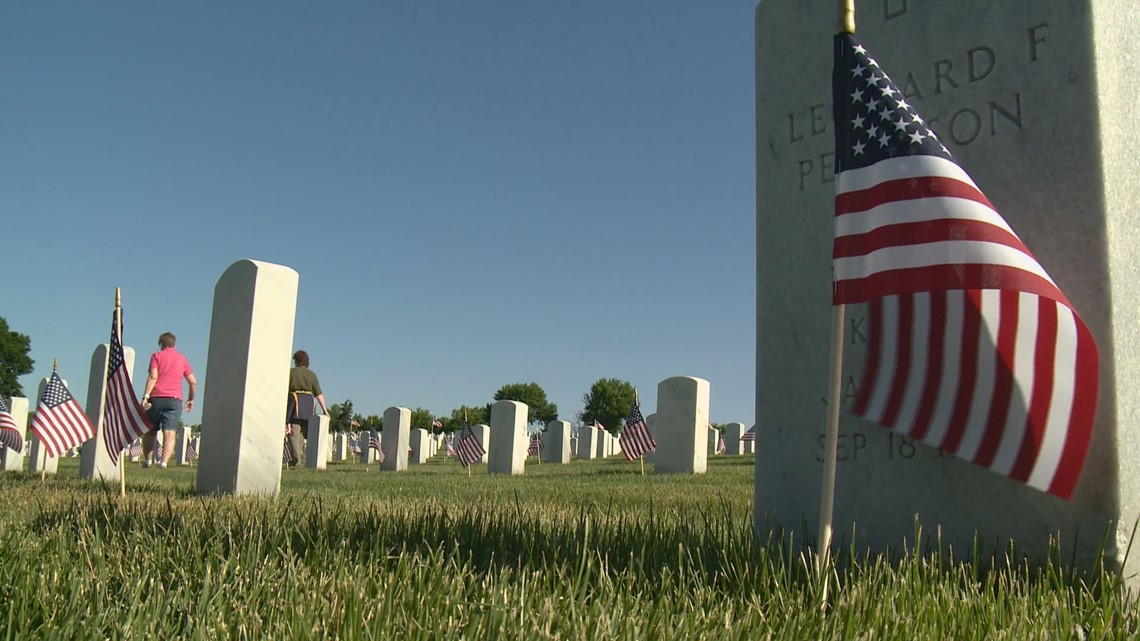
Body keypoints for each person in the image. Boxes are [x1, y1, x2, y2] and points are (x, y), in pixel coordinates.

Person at [141, 332, 196, 468]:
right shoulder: (182, 359)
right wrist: (190, 399)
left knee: (150, 430)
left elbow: (153, 377)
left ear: (161, 344)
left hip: (156, 398)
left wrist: (146, 396)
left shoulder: (156, 356)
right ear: (174, 345)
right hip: (174, 399)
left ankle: (148, 460)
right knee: (170, 432)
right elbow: (192, 382)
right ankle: (164, 462)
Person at [285, 350, 328, 467]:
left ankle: (296, 460)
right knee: (302, 434)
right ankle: (299, 458)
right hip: (309, 405)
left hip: (295, 404)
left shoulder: (291, 373)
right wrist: (325, 409)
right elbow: (318, 394)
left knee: (294, 432)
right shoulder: (312, 375)